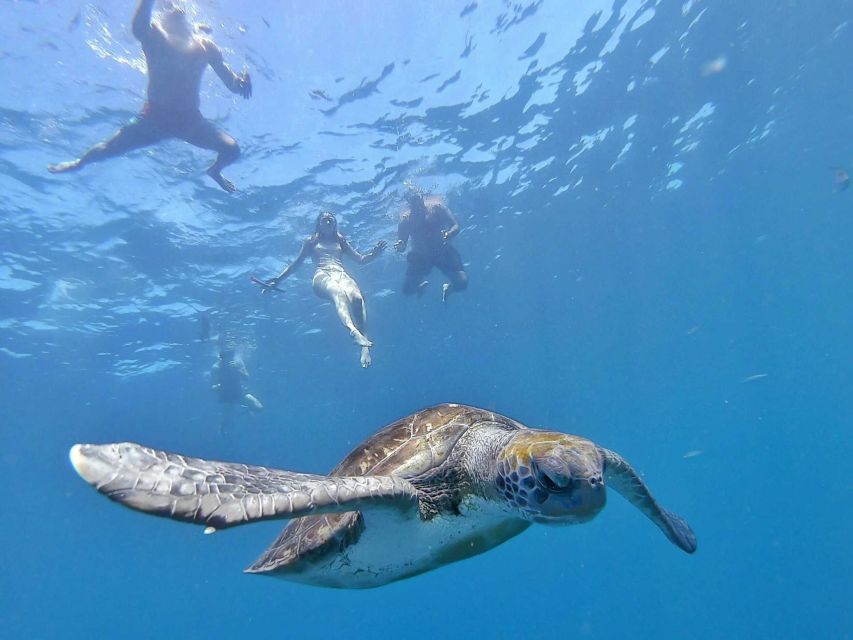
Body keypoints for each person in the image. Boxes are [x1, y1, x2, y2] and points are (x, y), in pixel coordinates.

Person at [48, 0, 252, 192]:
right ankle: (79, 163)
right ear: (162, 19)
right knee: (106, 149)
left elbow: (231, 83)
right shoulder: (155, 36)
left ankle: (215, 170)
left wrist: (240, 83)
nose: (176, 10)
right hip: (153, 118)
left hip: (190, 120)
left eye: (180, 10)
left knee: (232, 150)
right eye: (170, 10)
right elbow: (139, 27)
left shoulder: (206, 47)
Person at [262, 211, 386, 368]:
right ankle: (353, 332)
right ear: (318, 224)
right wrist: (277, 280)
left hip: (341, 274)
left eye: (331, 219)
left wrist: (374, 254)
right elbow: (296, 264)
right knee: (339, 294)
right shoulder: (311, 241)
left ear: (335, 224)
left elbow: (360, 259)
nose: (328, 222)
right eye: (325, 219)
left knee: (357, 298)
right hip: (322, 275)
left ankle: (365, 346)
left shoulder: (340, 240)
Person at [395, 190, 468, 302]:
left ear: (422, 199)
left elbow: (456, 226)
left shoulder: (438, 209)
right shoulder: (406, 221)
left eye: (418, 202)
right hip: (421, 257)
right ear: (409, 204)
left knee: (462, 283)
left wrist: (449, 234)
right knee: (407, 290)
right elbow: (402, 244)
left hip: (442, 252)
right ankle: (420, 286)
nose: (417, 207)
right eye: (413, 204)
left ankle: (448, 288)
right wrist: (400, 246)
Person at [211, 344, 262, 433]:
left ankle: (245, 409)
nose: (230, 357)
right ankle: (223, 433)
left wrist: (237, 370)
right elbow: (213, 386)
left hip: (239, 391)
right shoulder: (216, 368)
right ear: (221, 356)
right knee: (227, 422)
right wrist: (219, 387)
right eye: (228, 355)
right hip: (226, 395)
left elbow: (247, 378)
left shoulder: (238, 363)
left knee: (259, 408)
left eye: (232, 355)